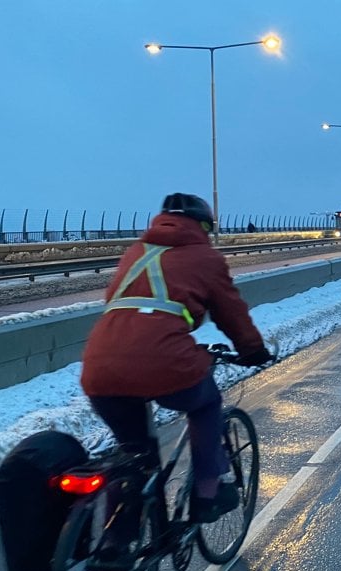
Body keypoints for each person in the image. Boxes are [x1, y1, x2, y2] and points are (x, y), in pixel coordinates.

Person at [81, 192, 273, 545]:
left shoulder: (135, 253)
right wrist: (253, 350)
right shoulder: (206, 257)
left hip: (99, 365)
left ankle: (116, 544)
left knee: (135, 451)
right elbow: (231, 312)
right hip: (164, 362)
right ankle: (207, 494)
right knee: (205, 404)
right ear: (203, 226)